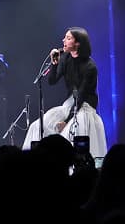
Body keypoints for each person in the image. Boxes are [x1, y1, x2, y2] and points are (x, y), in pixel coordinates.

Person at [22, 26, 107, 157]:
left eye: (68, 38)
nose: (64, 41)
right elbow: (52, 81)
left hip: (83, 106)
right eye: (65, 38)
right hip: (68, 105)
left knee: (69, 132)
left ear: (78, 43)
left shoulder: (90, 67)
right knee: (37, 127)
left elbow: (81, 96)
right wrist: (55, 64)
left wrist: (66, 121)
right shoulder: (66, 58)